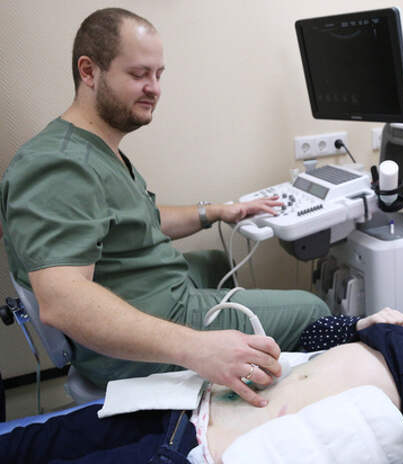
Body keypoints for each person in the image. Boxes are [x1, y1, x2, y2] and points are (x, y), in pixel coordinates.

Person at [0, 7, 329, 407]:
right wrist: (197, 348)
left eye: (159, 75)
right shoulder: (59, 167)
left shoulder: (96, 150)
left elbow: (143, 220)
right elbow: (62, 301)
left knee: (214, 260)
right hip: (133, 344)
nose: (154, 88)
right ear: (89, 72)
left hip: (153, 293)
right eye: (139, 74)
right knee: (313, 308)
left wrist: (218, 211)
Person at [1, 289, 403, 464]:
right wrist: (359, 324)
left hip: (209, 450)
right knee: (38, 441)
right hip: (195, 400)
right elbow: (309, 339)